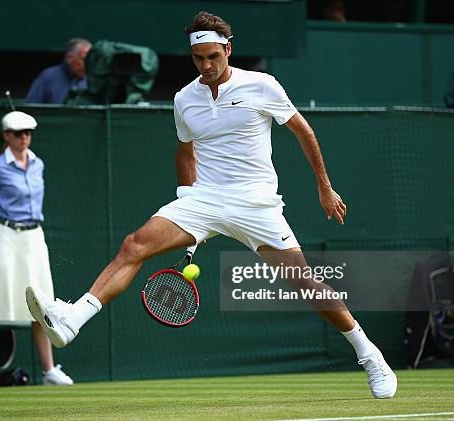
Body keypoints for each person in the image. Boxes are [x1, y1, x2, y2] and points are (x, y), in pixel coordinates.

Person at [25, 11, 398, 399]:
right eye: (198, 58)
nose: (206, 65)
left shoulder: (263, 85)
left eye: (213, 57)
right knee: (134, 244)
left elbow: (303, 131)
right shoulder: (184, 98)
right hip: (204, 198)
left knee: (304, 284)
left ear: (228, 50)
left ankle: (369, 354)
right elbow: (185, 153)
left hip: (256, 203)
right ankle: (72, 320)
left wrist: (324, 186)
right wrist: (188, 201)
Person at [0, 111, 73, 389]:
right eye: (18, 133)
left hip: (35, 238)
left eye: (28, 133)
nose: (24, 138)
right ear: (6, 136)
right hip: (5, 236)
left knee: (41, 305)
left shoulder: (38, 164)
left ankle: (49, 371)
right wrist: (1, 236)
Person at [26, 38, 92, 104]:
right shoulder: (48, 77)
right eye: (84, 59)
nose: (88, 64)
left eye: (91, 60)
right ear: (69, 58)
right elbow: (32, 108)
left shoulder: (92, 81)